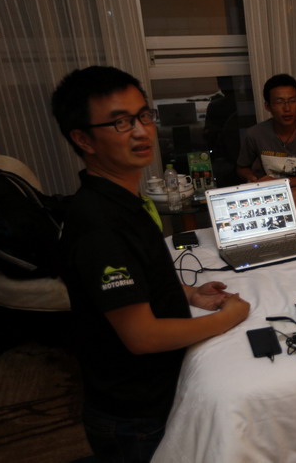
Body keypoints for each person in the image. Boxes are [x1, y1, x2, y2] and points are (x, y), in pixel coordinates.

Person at [51, 66, 251, 462]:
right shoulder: (99, 225)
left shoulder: (124, 198)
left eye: (143, 115)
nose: (142, 132)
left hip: (151, 393)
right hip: (134, 413)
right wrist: (229, 317)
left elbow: (141, 275)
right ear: (82, 139)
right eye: (120, 122)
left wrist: (188, 293)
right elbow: (141, 336)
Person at [236, 73, 296, 212]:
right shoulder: (255, 134)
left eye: (292, 101)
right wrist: (252, 178)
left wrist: (278, 183)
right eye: (279, 102)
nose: (287, 108)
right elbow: (242, 167)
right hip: (271, 191)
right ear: (268, 106)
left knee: (294, 196)